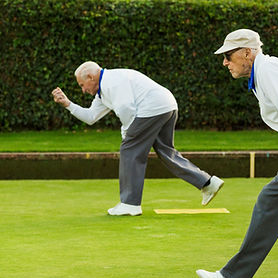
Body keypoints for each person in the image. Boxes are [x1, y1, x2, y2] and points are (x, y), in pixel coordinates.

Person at [196, 29, 278, 278]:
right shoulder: (262, 74)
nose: (225, 62)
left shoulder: (268, 70)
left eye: (228, 55)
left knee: (270, 200)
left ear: (247, 52)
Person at [52, 62, 224, 216]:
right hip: (167, 105)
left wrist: (127, 134)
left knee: (129, 150)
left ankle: (130, 204)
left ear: (90, 76)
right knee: (166, 151)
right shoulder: (103, 92)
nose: (83, 90)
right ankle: (208, 183)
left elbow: (126, 108)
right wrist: (67, 104)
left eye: (82, 85)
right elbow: (90, 117)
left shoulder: (112, 81)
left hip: (152, 109)